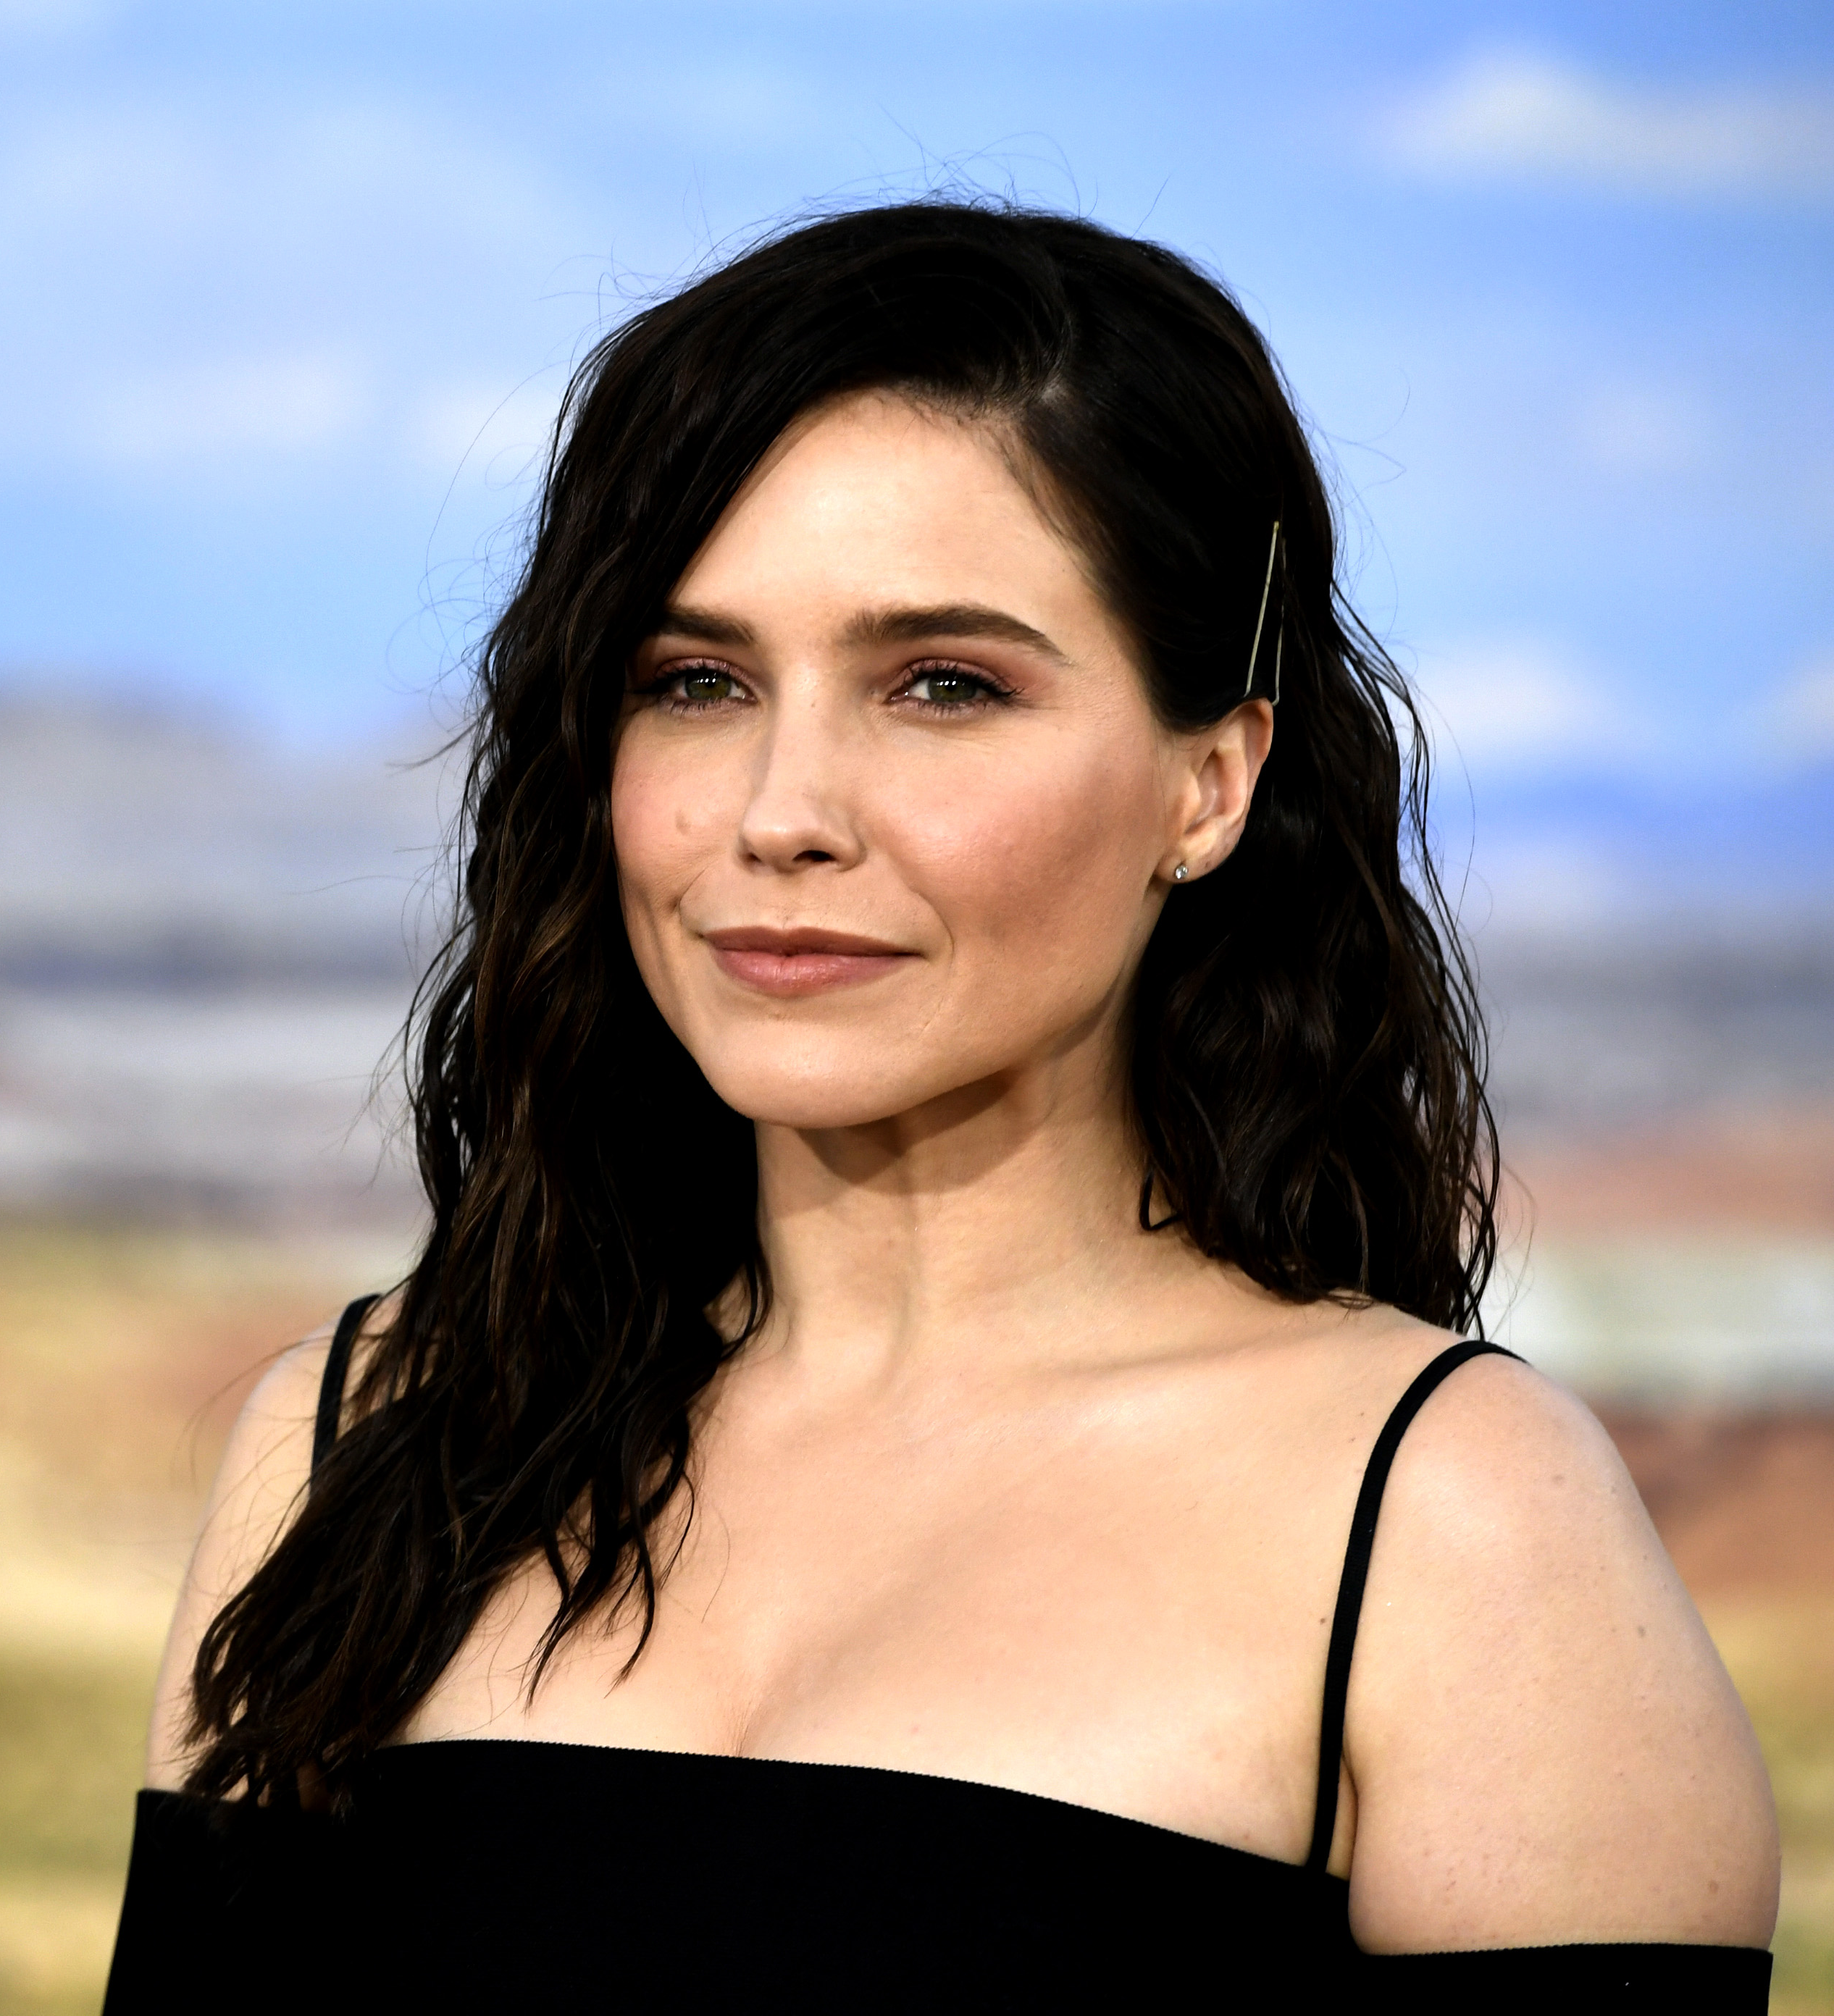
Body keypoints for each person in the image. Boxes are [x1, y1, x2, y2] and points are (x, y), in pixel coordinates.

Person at [102, 202, 1779, 2008]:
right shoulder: (360, 1443)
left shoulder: (1453, 1527)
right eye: (696, 683)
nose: (783, 811)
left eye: (944, 686)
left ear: (1213, 781)